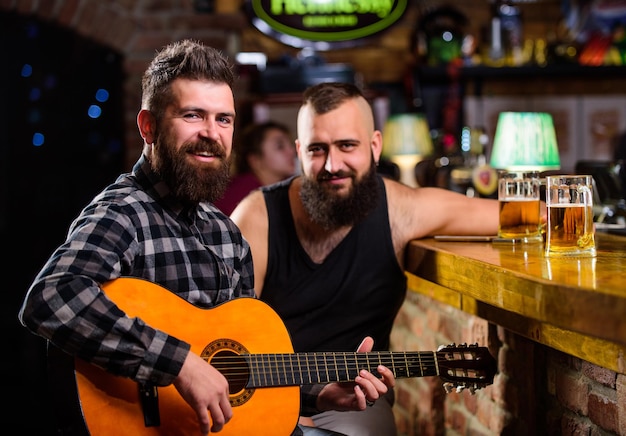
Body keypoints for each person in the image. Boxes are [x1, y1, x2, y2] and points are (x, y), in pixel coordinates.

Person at [18, 41, 394, 436]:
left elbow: (235, 370)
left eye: (224, 120)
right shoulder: (124, 212)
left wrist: (317, 395)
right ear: (149, 126)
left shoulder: (225, 233)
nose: (211, 134)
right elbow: (50, 297)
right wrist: (178, 364)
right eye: (193, 115)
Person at [230, 82, 500, 436]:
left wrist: (562, 208)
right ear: (299, 151)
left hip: (351, 405)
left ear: (374, 146)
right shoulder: (256, 217)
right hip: (256, 398)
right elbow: (222, 340)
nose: (332, 164)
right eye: (316, 149)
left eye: (346, 146)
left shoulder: (401, 212)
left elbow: (507, 214)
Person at [215, 120, 297, 215]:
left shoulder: (288, 189)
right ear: (255, 160)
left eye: (290, 145)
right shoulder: (240, 195)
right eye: (280, 146)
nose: (292, 151)